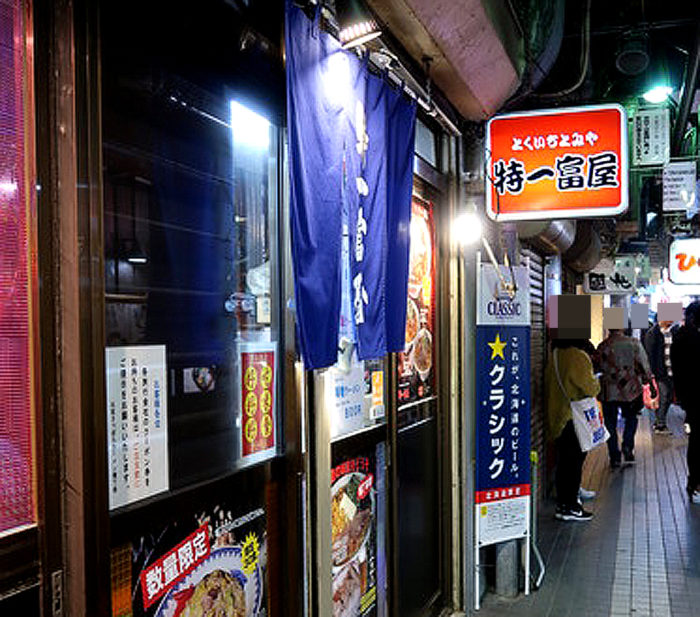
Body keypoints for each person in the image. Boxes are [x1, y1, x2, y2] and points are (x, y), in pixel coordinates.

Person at [546, 338, 600, 521]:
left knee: (564, 462)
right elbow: (591, 388)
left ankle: (566, 501)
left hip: (557, 415)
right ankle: (570, 506)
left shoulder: (554, 354)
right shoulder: (577, 356)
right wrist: (596, 380)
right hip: (572, 417)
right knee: (574, 462)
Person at [597, 328, 655, 468]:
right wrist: (648, 381)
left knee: (610, 423)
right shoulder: (634, 343)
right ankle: (628, 446)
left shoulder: (603, 346)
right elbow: (643, 364)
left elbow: (596, 367)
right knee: (631, 418)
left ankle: (614, 456)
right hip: (630, 390)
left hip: (608, 391)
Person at [670, 300, 700, 504]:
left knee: (696, 441)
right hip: (696, 397)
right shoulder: (692, 339)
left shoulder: (679, 338)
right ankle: (695, 483)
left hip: (691, 398)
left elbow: (678, 372)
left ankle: (694, 482)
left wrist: (680, 396)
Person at [643, 315, 678, 433]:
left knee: (668, 397)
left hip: (671, 371)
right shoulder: (652, 333)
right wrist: (650, 373)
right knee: (663, 395)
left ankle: (659, 421)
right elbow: (649, 354)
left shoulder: (674, 331)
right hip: (659, 371)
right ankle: (660, 424)